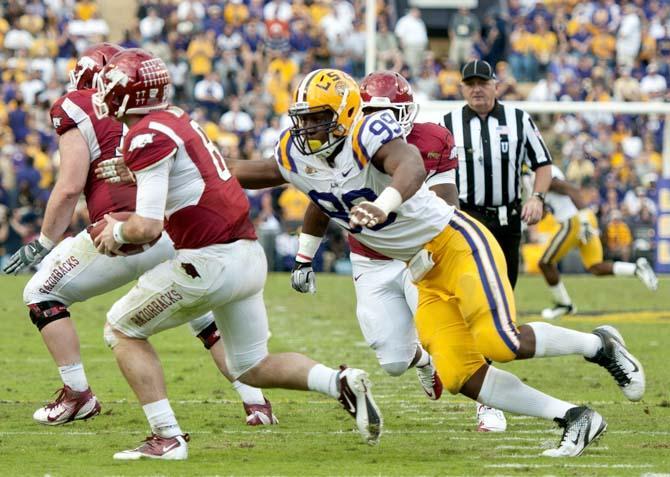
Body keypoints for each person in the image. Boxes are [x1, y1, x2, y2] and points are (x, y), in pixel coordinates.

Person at [226, 68, 645, 457]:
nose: (308, 129)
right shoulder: (298, 154)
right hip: (419, 267)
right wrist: (191, 168)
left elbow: (407, 165)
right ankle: (575, 416)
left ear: (347, 113)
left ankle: (599, 345)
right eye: (304, 118)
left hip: (455, 242)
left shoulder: (369, 130)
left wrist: (384, 203)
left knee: (500, 342)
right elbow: (245, 171)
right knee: (462, 375)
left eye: (319, 118)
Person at [92, 49, 381, 460]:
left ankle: (166, 437)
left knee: (120, 330)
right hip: (247, 256)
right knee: (251, 366)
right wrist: (137, 174)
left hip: (210, 260)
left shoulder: (145, 135)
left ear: (126, 92)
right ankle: (339, 382)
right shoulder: (174, 119)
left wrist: (116, 232)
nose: (103, 91)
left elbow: (148, 227)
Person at [2, 44, 277, 428]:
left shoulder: (74, 105)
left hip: (122, 230)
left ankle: (78, 394)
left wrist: (43, 243)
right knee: (201, 315)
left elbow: (68, 186)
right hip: (170, 229)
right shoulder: (160, 115)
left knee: (40, 293)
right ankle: (256, 402)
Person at [290, 70, 506, 433]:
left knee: (450, 331)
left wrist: (393, 209)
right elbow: (319, 201)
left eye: (389, 114)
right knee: (392, 361)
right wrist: (304, 256)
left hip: (415, 255)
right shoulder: (342, 142)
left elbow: (446, 202)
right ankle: (422, 361)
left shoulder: (430, 139)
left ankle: (490, 403)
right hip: (369, 258)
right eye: (373, 113)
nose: (381, 123)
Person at [443, 60, 552, 288]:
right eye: (470, 84)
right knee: (470, 286)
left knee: (505, 286)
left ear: (495, 85)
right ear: (462, 88)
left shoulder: (519, 119)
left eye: (482, 82)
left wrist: (537, 198)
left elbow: (542, 163)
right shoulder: (448, 124)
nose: (476, 89)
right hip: (468, 217)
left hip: (507, 218)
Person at [537, 165, 658, 319]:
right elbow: (547, 208)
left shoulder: (543, 172)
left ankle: (564, 305)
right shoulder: (537, 175)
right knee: (595, 267)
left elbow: (571, 190)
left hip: (575, 221)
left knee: (545, 263)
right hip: (583, 219)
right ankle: (636, 268)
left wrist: (583, 219)